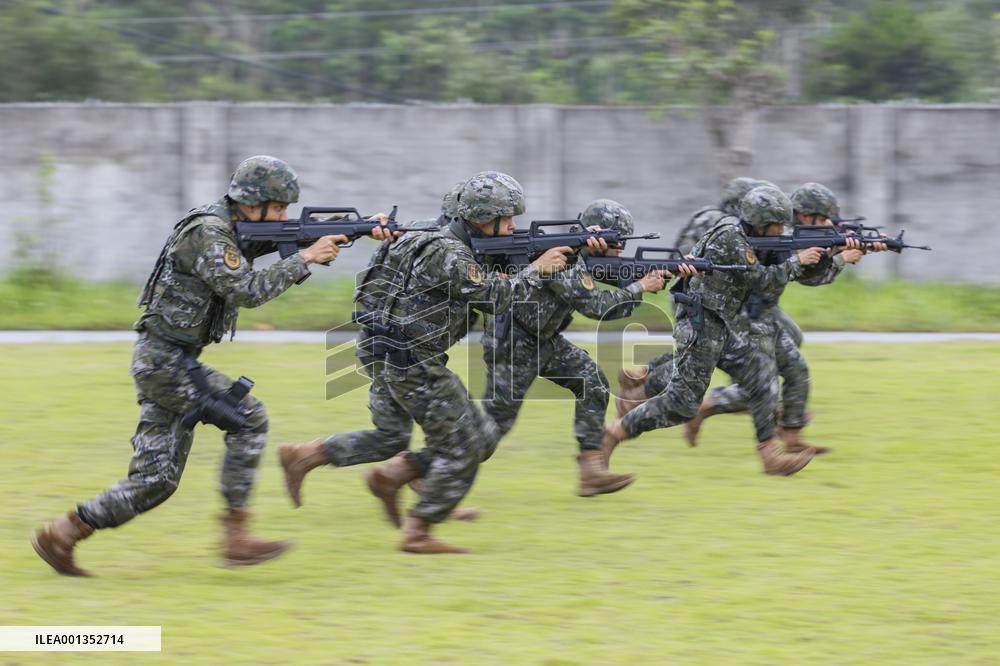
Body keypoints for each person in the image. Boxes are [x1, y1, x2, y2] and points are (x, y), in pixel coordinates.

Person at [31, 155, 393, 576]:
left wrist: (362, 228)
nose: (283, 216)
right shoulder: (209, 232)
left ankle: (62, 534)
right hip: (165, 362)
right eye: (277, 208)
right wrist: (305, 258)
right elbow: (245, 290)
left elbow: (263, 245)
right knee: (249, 418)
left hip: (167, 361)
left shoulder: (229, 226)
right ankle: (236, 536)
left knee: (156, 482)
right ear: (251, 203)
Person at [284, 171, 571, 554]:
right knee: (471, 442)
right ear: (485, 218)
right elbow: (494, 297)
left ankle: (332, 461)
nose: (514, 226)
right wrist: (537, 269)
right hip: (413, 363)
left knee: (396, 436)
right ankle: (418, 528)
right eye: (508, 218)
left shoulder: (422, 237)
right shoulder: (450, 253)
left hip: (382, 349)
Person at [278, 183, 478, 522]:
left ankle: (306, 455)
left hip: (378, 342)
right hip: (403, 350)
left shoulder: (414, 235)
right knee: (452, 425)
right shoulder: (444, 249)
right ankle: (429, 499)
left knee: (392, 435)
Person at [600, 186, 825, 476]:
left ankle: (770, 455)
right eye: (777, 224)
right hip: (700, 321)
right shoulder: (731, 237)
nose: (782, 230)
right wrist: (798, 261)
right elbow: (761, 280)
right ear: (760, 220)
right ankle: (613, 433)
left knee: (761, 373)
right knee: (681, 404)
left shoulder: (747, 235)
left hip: (721, 322)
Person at [480, 198, 694, 496]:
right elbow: (594, 306)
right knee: (494, 426)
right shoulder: (563, 256)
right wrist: (641, 287)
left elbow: (611, 305)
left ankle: (591, 471)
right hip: (515, 342)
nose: (620, 250)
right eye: (616, 241)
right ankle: (425, 467)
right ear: (597, 234)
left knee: (592, 381)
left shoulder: (580, 259)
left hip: (544, 339)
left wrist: (657, 277)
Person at [683, 183, 886, 451]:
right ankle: (704, 406)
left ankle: (792, 438)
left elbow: (809, 274)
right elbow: (779, 277)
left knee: (796, 370)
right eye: (822, 218)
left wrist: (842, 252)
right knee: (760, 384)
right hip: (747, 316)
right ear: (804, 215)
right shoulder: (775, 235)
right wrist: (837, 258)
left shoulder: (784, 232)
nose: (827, 223)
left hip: (761, 313)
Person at [617, 177, 777, 417]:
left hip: (700, 296)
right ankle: (638, 394)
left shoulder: (717, 220)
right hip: (698, 298)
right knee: (702, 360)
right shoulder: (720, 223)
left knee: (701, 354)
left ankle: (641, 374)